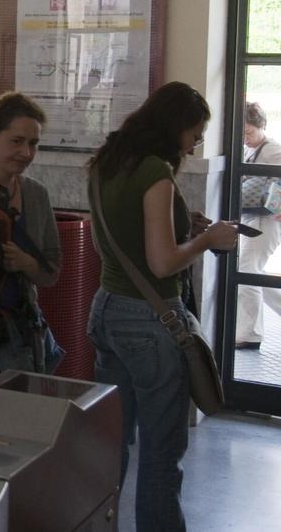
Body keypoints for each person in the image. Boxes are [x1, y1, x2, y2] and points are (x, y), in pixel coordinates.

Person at [86, 81, 238, 530]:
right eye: (194, 133)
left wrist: (184, 226)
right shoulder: (155, 170)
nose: (194, 144)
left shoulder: (107, 162)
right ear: (174, 127)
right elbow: (161, 261)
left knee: (112, 444)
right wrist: (208, 240)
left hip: (107, 310)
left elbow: (118, 238)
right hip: (149, 324)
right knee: (161, 454)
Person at [0, 91, 63, 372]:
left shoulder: (35, 195)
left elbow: (51, 272)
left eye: (33, 144)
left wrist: (26, 263)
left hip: (19, 333)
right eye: (17, 141)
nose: (26, 153)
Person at [236, 101, 281, 349]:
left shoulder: (273, 150)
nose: (245, 138)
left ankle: (251, 334)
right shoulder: (250, 149)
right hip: (254, 219)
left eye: (249, 132)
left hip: (267, 221)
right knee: (254, 273)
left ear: (262, 126)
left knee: (247, 271)